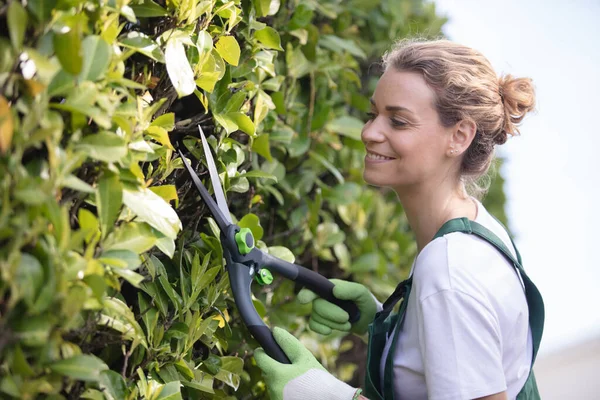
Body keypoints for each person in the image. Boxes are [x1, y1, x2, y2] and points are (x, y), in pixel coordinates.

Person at [254, 38, 544, 400]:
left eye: (399, 121)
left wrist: (330, 395)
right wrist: (386, 326)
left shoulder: (450, 268)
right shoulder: (479, 231)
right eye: (372, 114)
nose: (370, 133)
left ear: (459, 136)